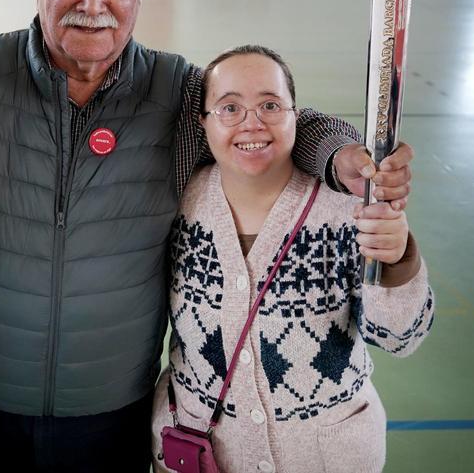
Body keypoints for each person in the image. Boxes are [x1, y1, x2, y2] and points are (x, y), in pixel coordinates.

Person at [0, 0, 415, 472]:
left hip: (112, 407)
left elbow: (270, 122)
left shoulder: (178, 94)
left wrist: (339, 156)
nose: (93, 3)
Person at [151, 46, 432, 473]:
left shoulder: (346, 211)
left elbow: (401, 337)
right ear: (201, 122)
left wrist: (395, 259)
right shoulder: (175, 206)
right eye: (229, 108)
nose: (252, 123)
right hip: (200, 452)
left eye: (270, 105)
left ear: (295, 116)